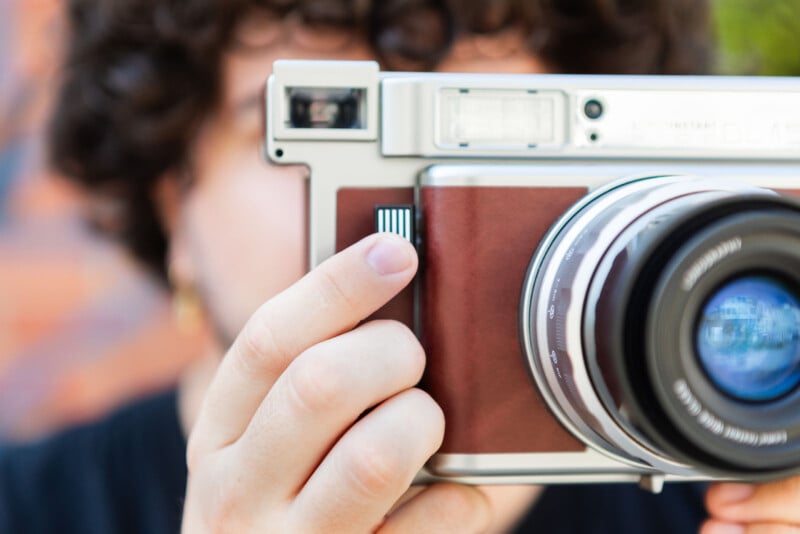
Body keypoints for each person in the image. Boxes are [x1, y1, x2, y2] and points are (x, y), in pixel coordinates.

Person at [2, 0, 799, 532]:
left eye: (476, 142)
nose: (412, 219)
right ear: (173, 204)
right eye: (321, 135)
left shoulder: (739, 485)